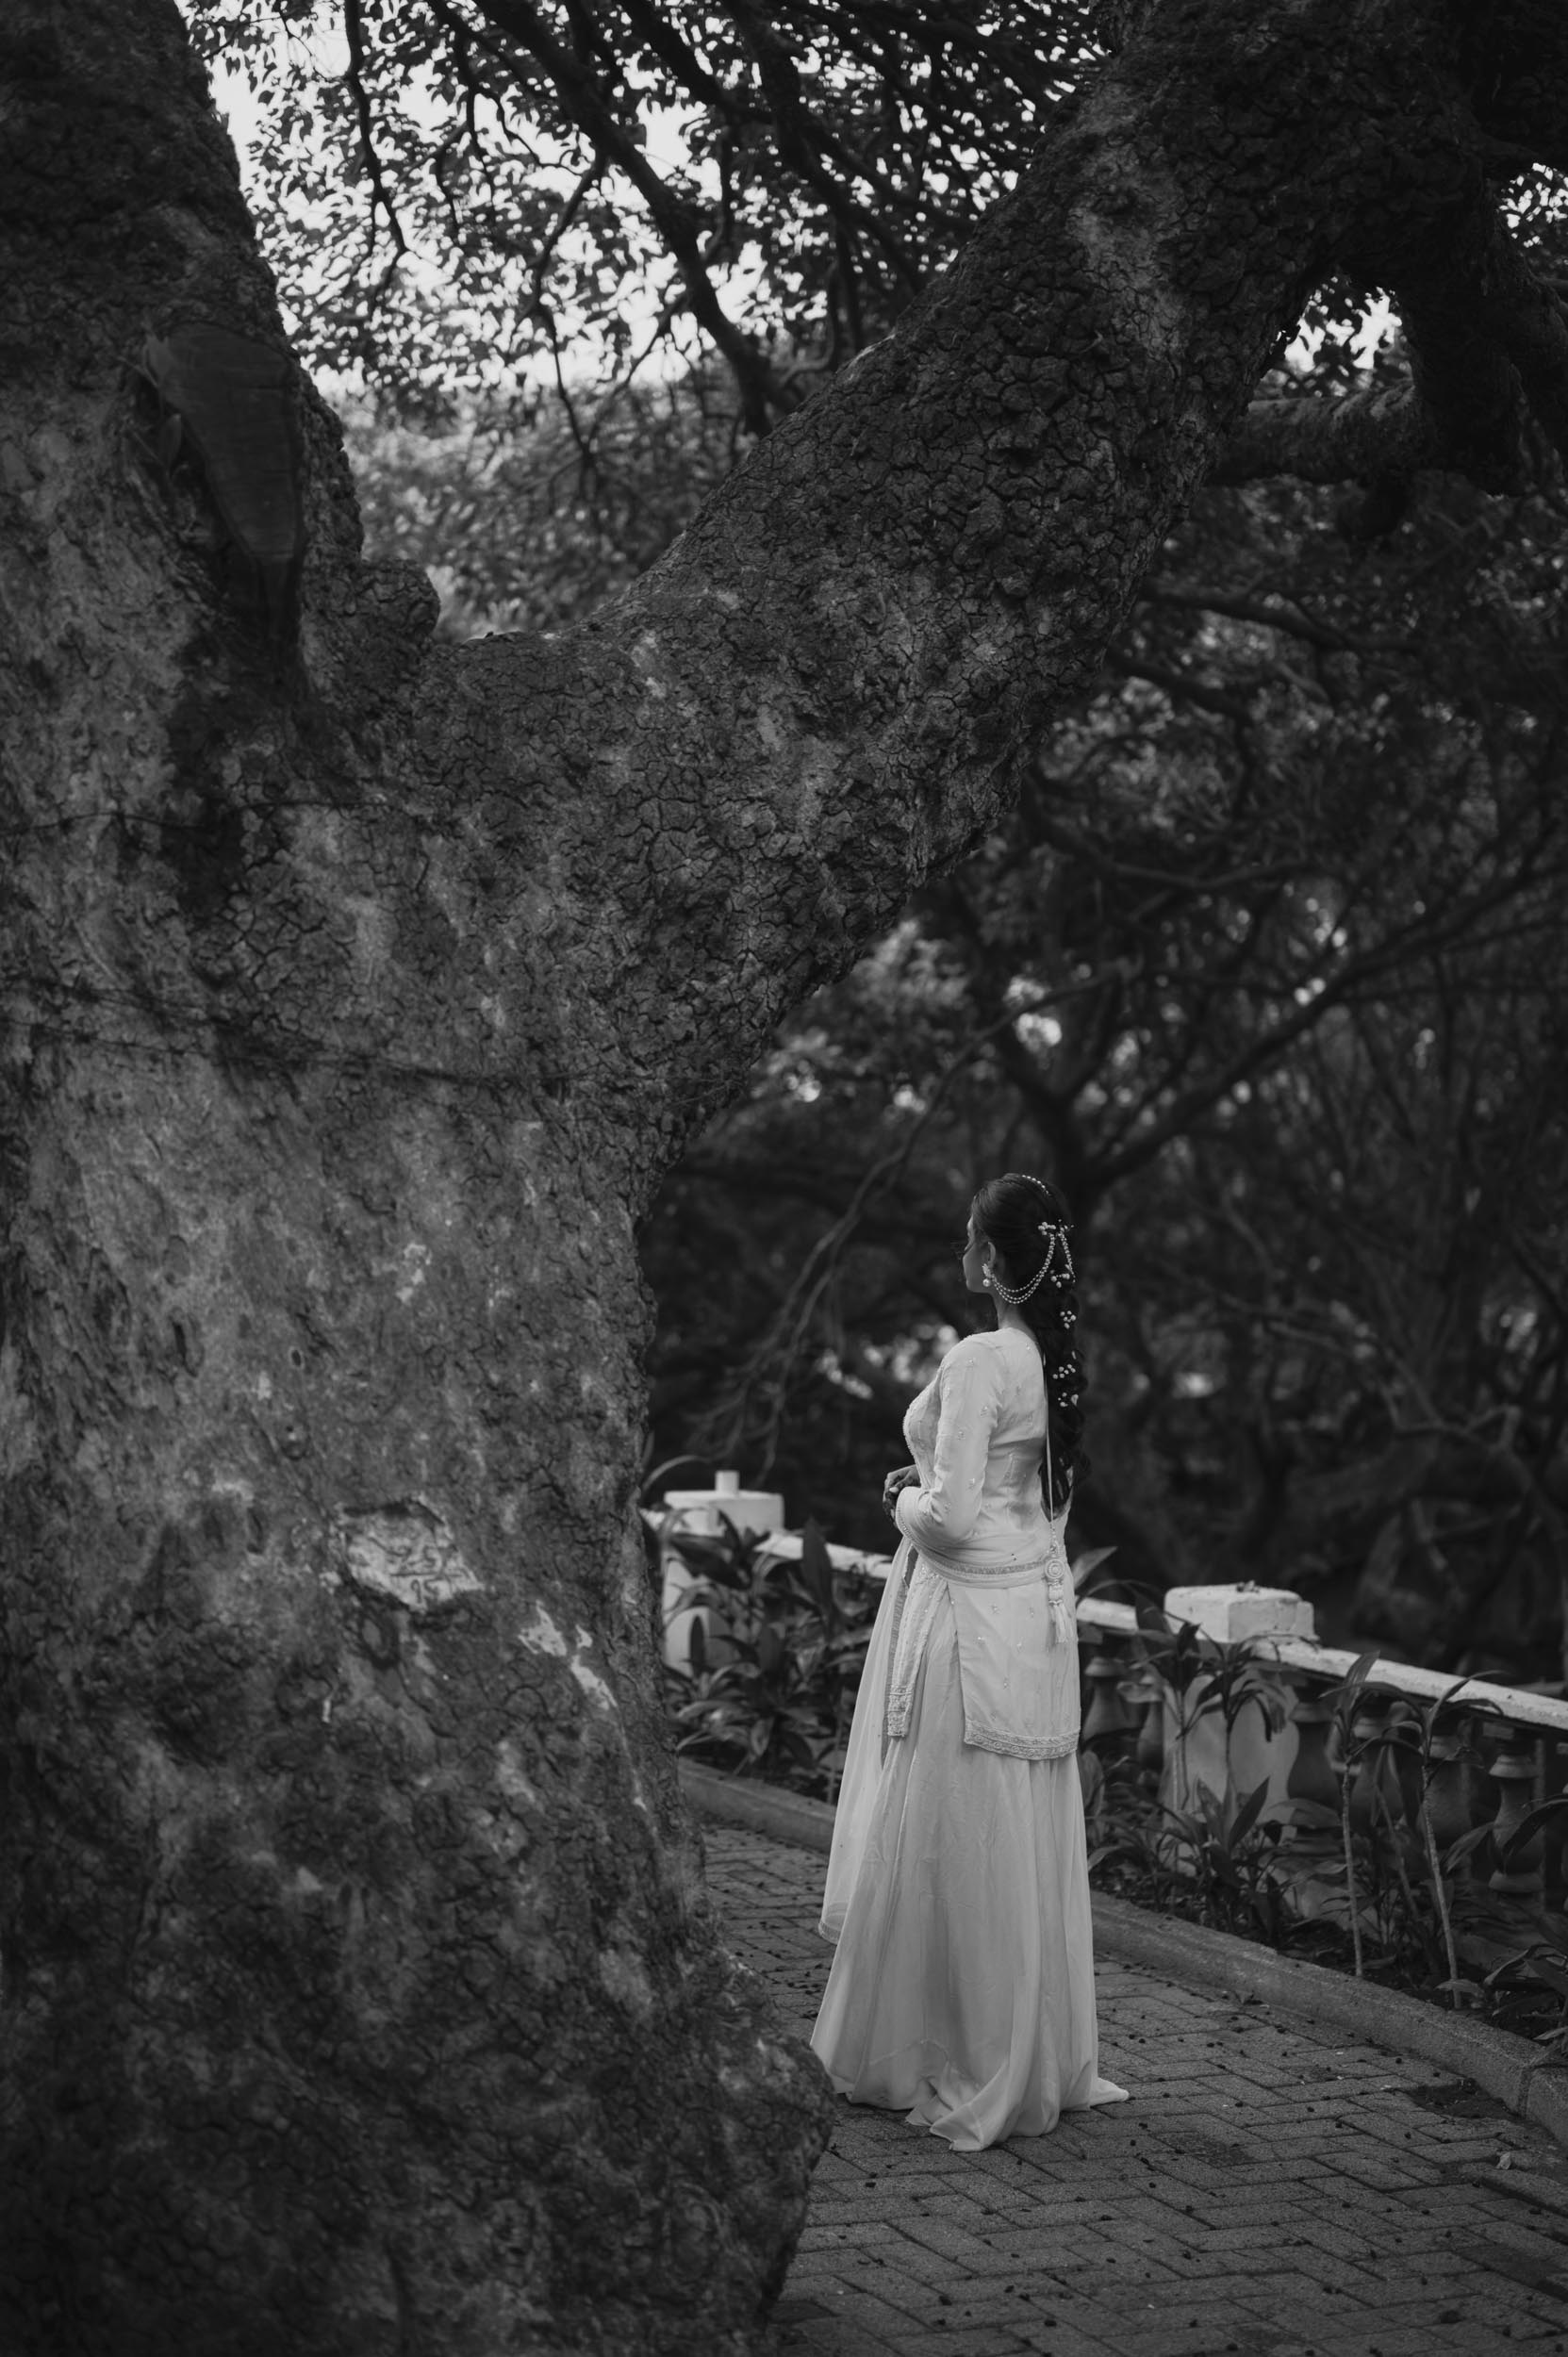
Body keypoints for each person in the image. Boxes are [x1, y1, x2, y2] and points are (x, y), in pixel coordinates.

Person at [810, 1172, 1128, 2150]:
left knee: (947, 1836)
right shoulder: (1048, 1362)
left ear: (990, 1260)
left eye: (966, 1240)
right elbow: (1028, 1503)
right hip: (1027, 1619)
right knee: (1009, 1837)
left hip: (962, 1628)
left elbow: (949, 1519)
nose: (960, 1253)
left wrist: (898, 1500)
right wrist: (936, 1488)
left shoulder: (982, 1357)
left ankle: (935, 2049)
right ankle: (1019, 2047)